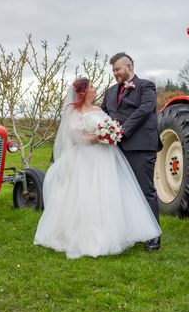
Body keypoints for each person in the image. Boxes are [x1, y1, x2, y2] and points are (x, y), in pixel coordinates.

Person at [34, 77, 161, 259]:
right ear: (84, 92)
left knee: (107, 193)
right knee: (86, 194)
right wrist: (100, 137)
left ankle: (111, 233)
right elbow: (76, 138)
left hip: (105, 157)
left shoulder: (98, 110)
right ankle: (84, 236)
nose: (95, 89)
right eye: (92, 86)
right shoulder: (74, 113)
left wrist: (111, 134)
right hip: (85, 158)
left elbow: (111, 126)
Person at [101, 52, 162, 251]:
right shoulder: (110, 92)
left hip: (141, 146)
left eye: (117, 69)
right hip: (116, 149)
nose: (115, 73)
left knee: (145, 190)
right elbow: (104, 114)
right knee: (123, 191)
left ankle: (153, 236)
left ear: (129, 67)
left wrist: (121, 131)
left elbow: (144, 111)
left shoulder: (146, 86)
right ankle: (133, 232)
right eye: (113, 70)